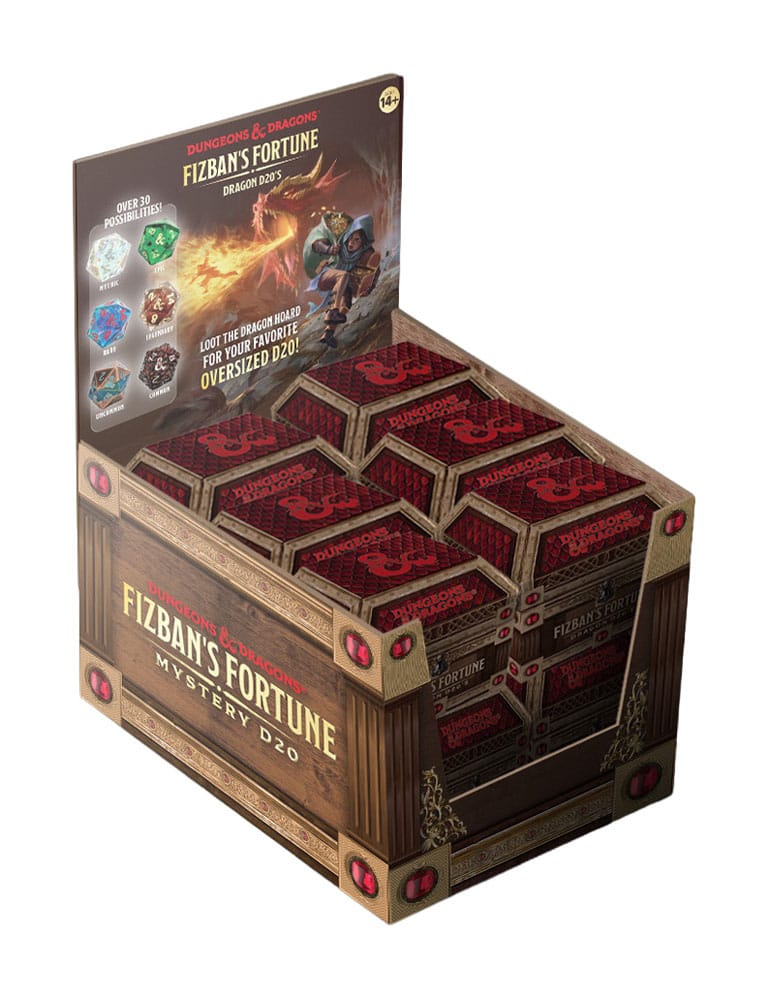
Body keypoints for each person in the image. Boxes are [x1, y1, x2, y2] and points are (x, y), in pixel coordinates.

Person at [303, 212, 381, 347]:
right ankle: (333, 312)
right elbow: (316, 245)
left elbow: (375, 270)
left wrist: (370, 286)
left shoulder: (366, 253)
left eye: (357, 240)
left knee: (346, 303)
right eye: (351, 238)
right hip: (327, 276)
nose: (351, 242)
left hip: (343, 284)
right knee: (343, 275)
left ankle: (328, 334)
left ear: (363, 242)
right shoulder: (339, 242)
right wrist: (329, 249)